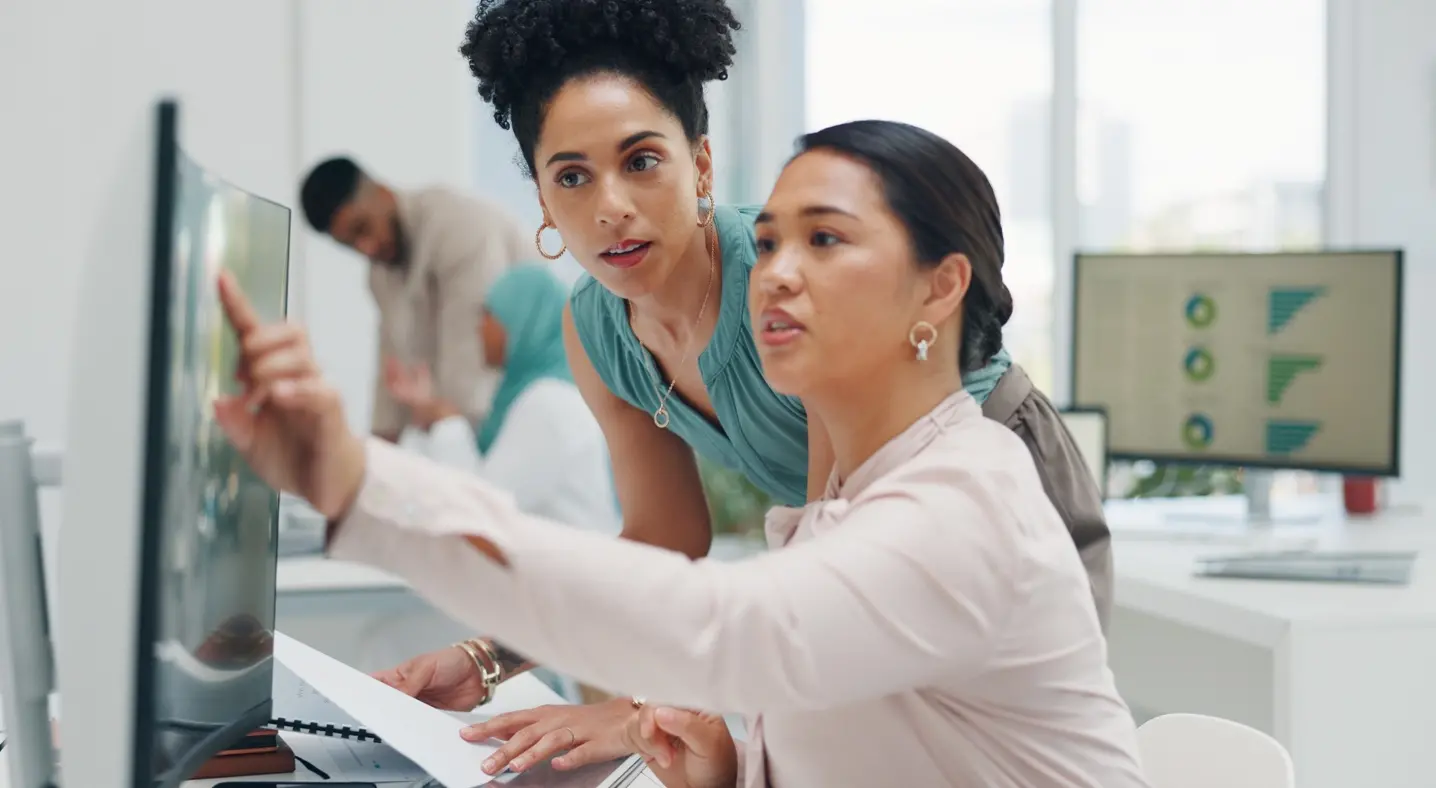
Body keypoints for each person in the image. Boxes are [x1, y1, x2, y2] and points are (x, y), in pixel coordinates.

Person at [213, 117, 1150, 788]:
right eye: (773, 239)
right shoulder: (840, 499)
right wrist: (727, 767)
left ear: (940, 288)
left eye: (824, 240)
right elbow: (864, 727)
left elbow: (735, 632)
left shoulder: (967, 495)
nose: (776, 269)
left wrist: (357, 481)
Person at [368, 0, 1114, 774]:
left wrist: (631, 716)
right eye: (573, 177)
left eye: (642, 161)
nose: (612, 206)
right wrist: (487, 660)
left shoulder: (784, 290)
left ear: (700, 165)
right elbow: (665, 537)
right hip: (845, 544)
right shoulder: (596, 331)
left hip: (979, 464)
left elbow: (800, 597)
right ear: (545, 203)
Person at [300, 156, 531, 442]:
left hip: (527, 412)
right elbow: (391, 373)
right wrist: (374, 463)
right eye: (350, 245)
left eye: (362, 228)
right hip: (471, 426)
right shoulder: (379, 272)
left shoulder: (457, 227)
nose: (366, 248)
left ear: (383, 194)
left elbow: (470, 366)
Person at [383, 263, 620, 535]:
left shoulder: (551, 404)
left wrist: (447, 421)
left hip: (571, 572)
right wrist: (425, 412)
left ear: (522, 320)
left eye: (489, 313)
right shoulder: (530, 396)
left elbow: (480, 508)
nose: (479, 326)